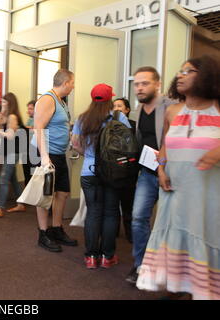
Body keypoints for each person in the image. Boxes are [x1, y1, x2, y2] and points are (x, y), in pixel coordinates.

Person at [136, 56, 220, 300]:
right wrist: (161, 168)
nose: (180, 75)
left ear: (207, 76)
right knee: (176, 236)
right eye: (180, 71)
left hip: (208, 194)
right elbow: (164, 147)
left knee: (205, 234)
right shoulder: (173, 111)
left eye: (189, 71)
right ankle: (177, 285)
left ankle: (203, 290)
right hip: (175, 190)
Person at [125, 66, 176, 284]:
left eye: (145, 83)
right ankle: (141, 265)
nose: (140, 87)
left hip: (170, 174)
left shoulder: (171, 107)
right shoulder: (138, 108)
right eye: (136, 84)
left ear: (157, 84)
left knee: (168, 224)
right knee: (138, 218)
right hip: (146, 174)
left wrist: (164, 167)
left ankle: (169, 273)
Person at [72, 84, 132, 269]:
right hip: (112, 173)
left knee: (93, 212)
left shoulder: (83, 118)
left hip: (89, 172)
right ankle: (107, 257)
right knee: (111, 213)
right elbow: (128, 142)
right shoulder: (118, 116)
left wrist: (89, 155)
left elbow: (75, 144)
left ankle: (91, 257)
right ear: (110, 99)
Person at [31, 69, 78, 252]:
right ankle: (43, 234)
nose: (74, 86)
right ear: (65, 82)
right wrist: (44, 157)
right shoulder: (47, 99)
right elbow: (38, 127)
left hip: (58, 154)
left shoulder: (61, 102)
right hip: (47, 154)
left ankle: (56, 229)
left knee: (62, 193)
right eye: (72, 83)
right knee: (45, 196)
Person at [0, 93, 26, 218]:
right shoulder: (8, 116)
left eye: (3, 102)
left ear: (10, 103)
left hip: (14, 151)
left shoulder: (13, 117)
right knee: (12, 179)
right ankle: (21, 204)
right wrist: (2, 112)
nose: (1, 103)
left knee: (3, 179)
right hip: (9, 151)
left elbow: (9, 135)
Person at [113, 97, 136, 243]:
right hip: (113, 170)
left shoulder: (134, 126)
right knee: (113, 205)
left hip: (129, 171)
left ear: (127, 110)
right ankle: (113, 232)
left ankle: (130, 234)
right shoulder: (109, 125)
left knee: (128, 205)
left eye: (120, 106)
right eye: (114, 106)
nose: (116, 109)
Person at [22, 100, 36, 186]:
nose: (28, 111)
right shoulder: (30, 119)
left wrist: (24, 127)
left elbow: (34, 129)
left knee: (33, 175)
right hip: (26, 150)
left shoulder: (39, 119)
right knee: (27, 174)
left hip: (34, 152)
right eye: (28, 109)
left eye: (31, 109)